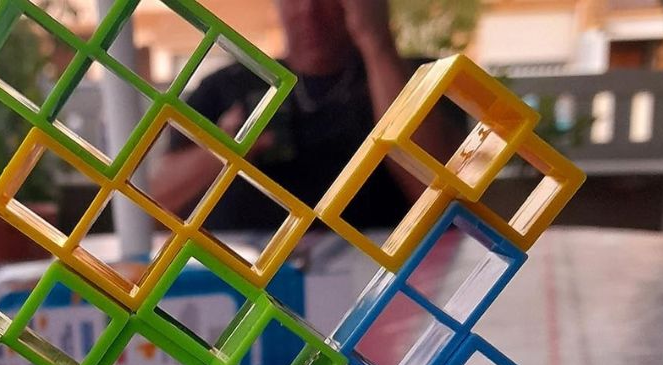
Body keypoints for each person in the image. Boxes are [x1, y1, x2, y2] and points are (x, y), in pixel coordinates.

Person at [150, 0, 459, 232]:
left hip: (383, 274)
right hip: (246, 278)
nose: (309, 10)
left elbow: (443, 197)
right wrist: (225, 148)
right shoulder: (227, 85)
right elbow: (156, 203)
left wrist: (377, 43)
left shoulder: (415, 77)